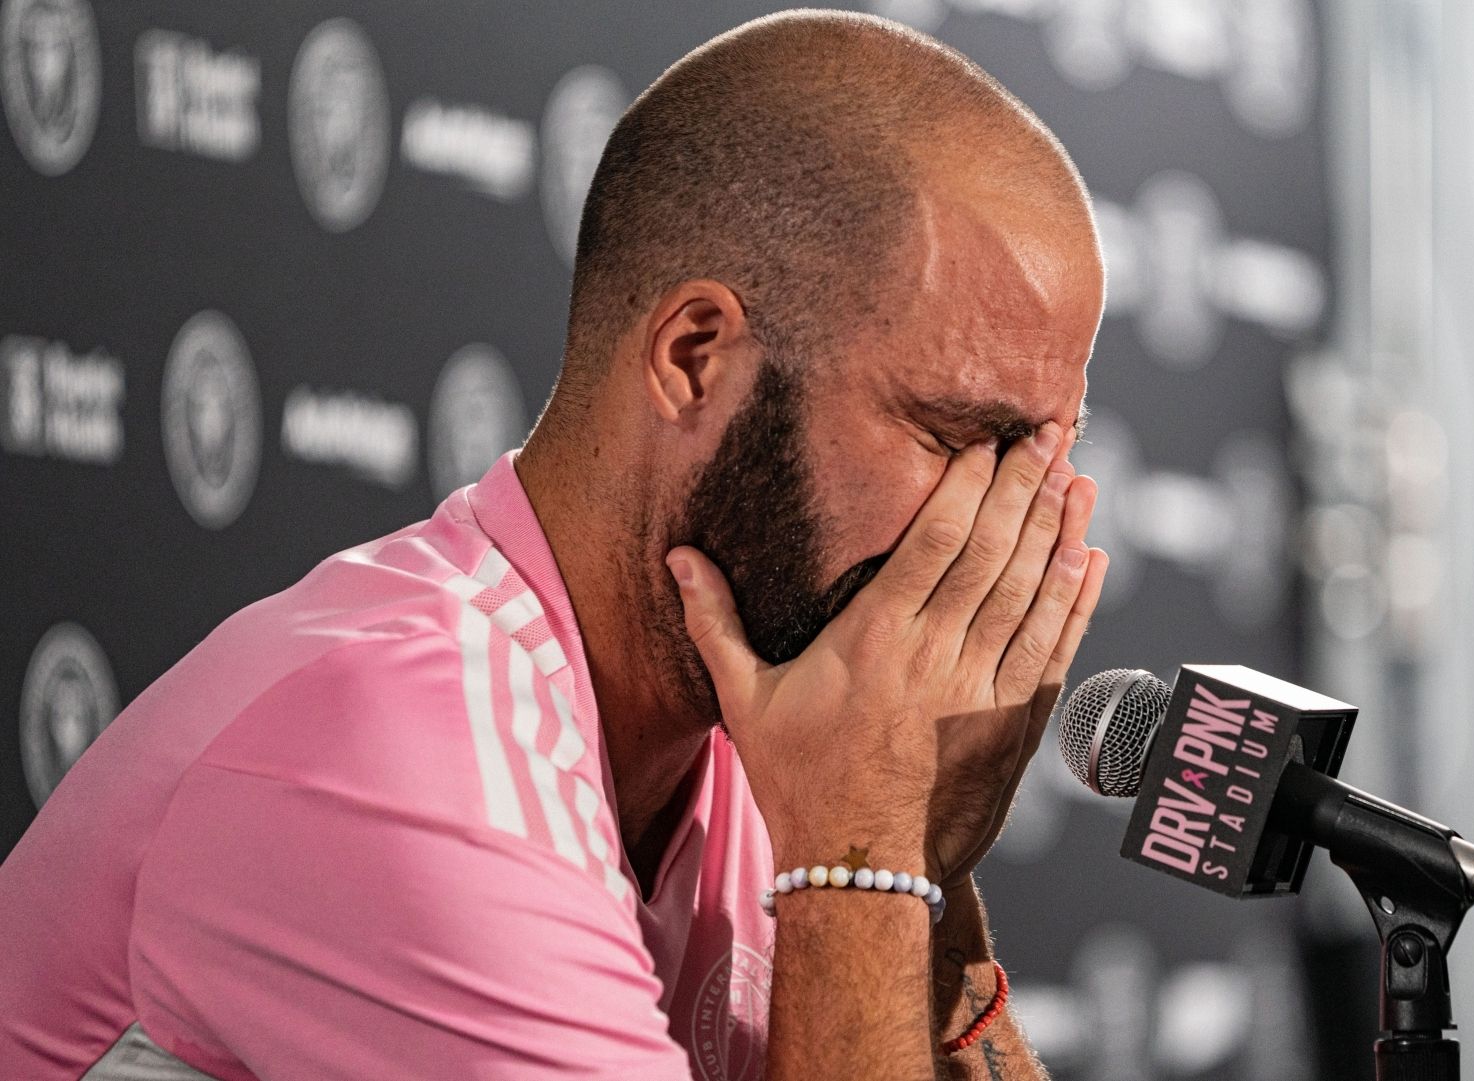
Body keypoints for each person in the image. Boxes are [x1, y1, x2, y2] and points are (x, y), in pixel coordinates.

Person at [0, 10, 1110, 1080]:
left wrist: (923, 877)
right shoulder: (409, 746)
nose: (1016, 520)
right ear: (693, 359)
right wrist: (865, 863)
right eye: (961, 437)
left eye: (1049, 455)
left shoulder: (783, 749)